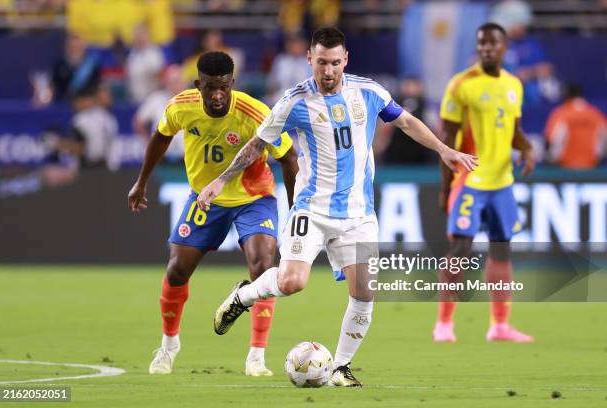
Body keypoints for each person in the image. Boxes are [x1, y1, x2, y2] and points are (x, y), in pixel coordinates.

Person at [198, 27, 477, 387]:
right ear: (309, 60)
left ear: (345, 60)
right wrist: (221, 179)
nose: (328, 71)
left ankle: (341, 366)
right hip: (312, 209)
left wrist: (445, 150)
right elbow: (258, 144)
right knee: (292, 281)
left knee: (365, 291)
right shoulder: (294, 101)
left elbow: (406, 122)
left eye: (334, 63)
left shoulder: (369, 92)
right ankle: (243, 296)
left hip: (359, 214)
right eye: (321, 63)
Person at [127, 51, 299, 376]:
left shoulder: (255, 112)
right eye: (210, 88)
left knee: (264, 267)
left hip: (254, 198)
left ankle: (256, 358)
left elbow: (289, 157)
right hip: (205, 199)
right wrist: (141, 182)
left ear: (232, 83)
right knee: (177, 270)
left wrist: (294, 209)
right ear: (198, 85)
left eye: (223, 87)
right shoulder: (181, 106)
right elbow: (161, 137)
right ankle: (168, 345)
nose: (217, 94)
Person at [434, 22, 536, 343]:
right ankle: (444, 323)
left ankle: (500, 325)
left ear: (504, 47)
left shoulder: (514, 85)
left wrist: (528, 149)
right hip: (469, 180)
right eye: (482, 43)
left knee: (502, 251)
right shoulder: (462, 84)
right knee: (460, 248)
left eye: (493, 43)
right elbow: (447, 141)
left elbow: (514, 131)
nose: (487, 48)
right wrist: (444, 186)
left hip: (502, 182)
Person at [545, 84, 606, 169]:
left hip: (566, 170)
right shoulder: (595, 114)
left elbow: (551, 140)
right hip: (591, 168)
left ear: (567, 96)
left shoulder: (561, 113)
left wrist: (551, 160)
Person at [133, 65, 187, 163]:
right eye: (173, 81)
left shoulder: (195, 99)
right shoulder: (156, 99)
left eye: (179, 80)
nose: (176, 84)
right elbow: (138, 121)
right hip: (162, 156)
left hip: (187, 156)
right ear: (166, 83)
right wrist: (148, 143)